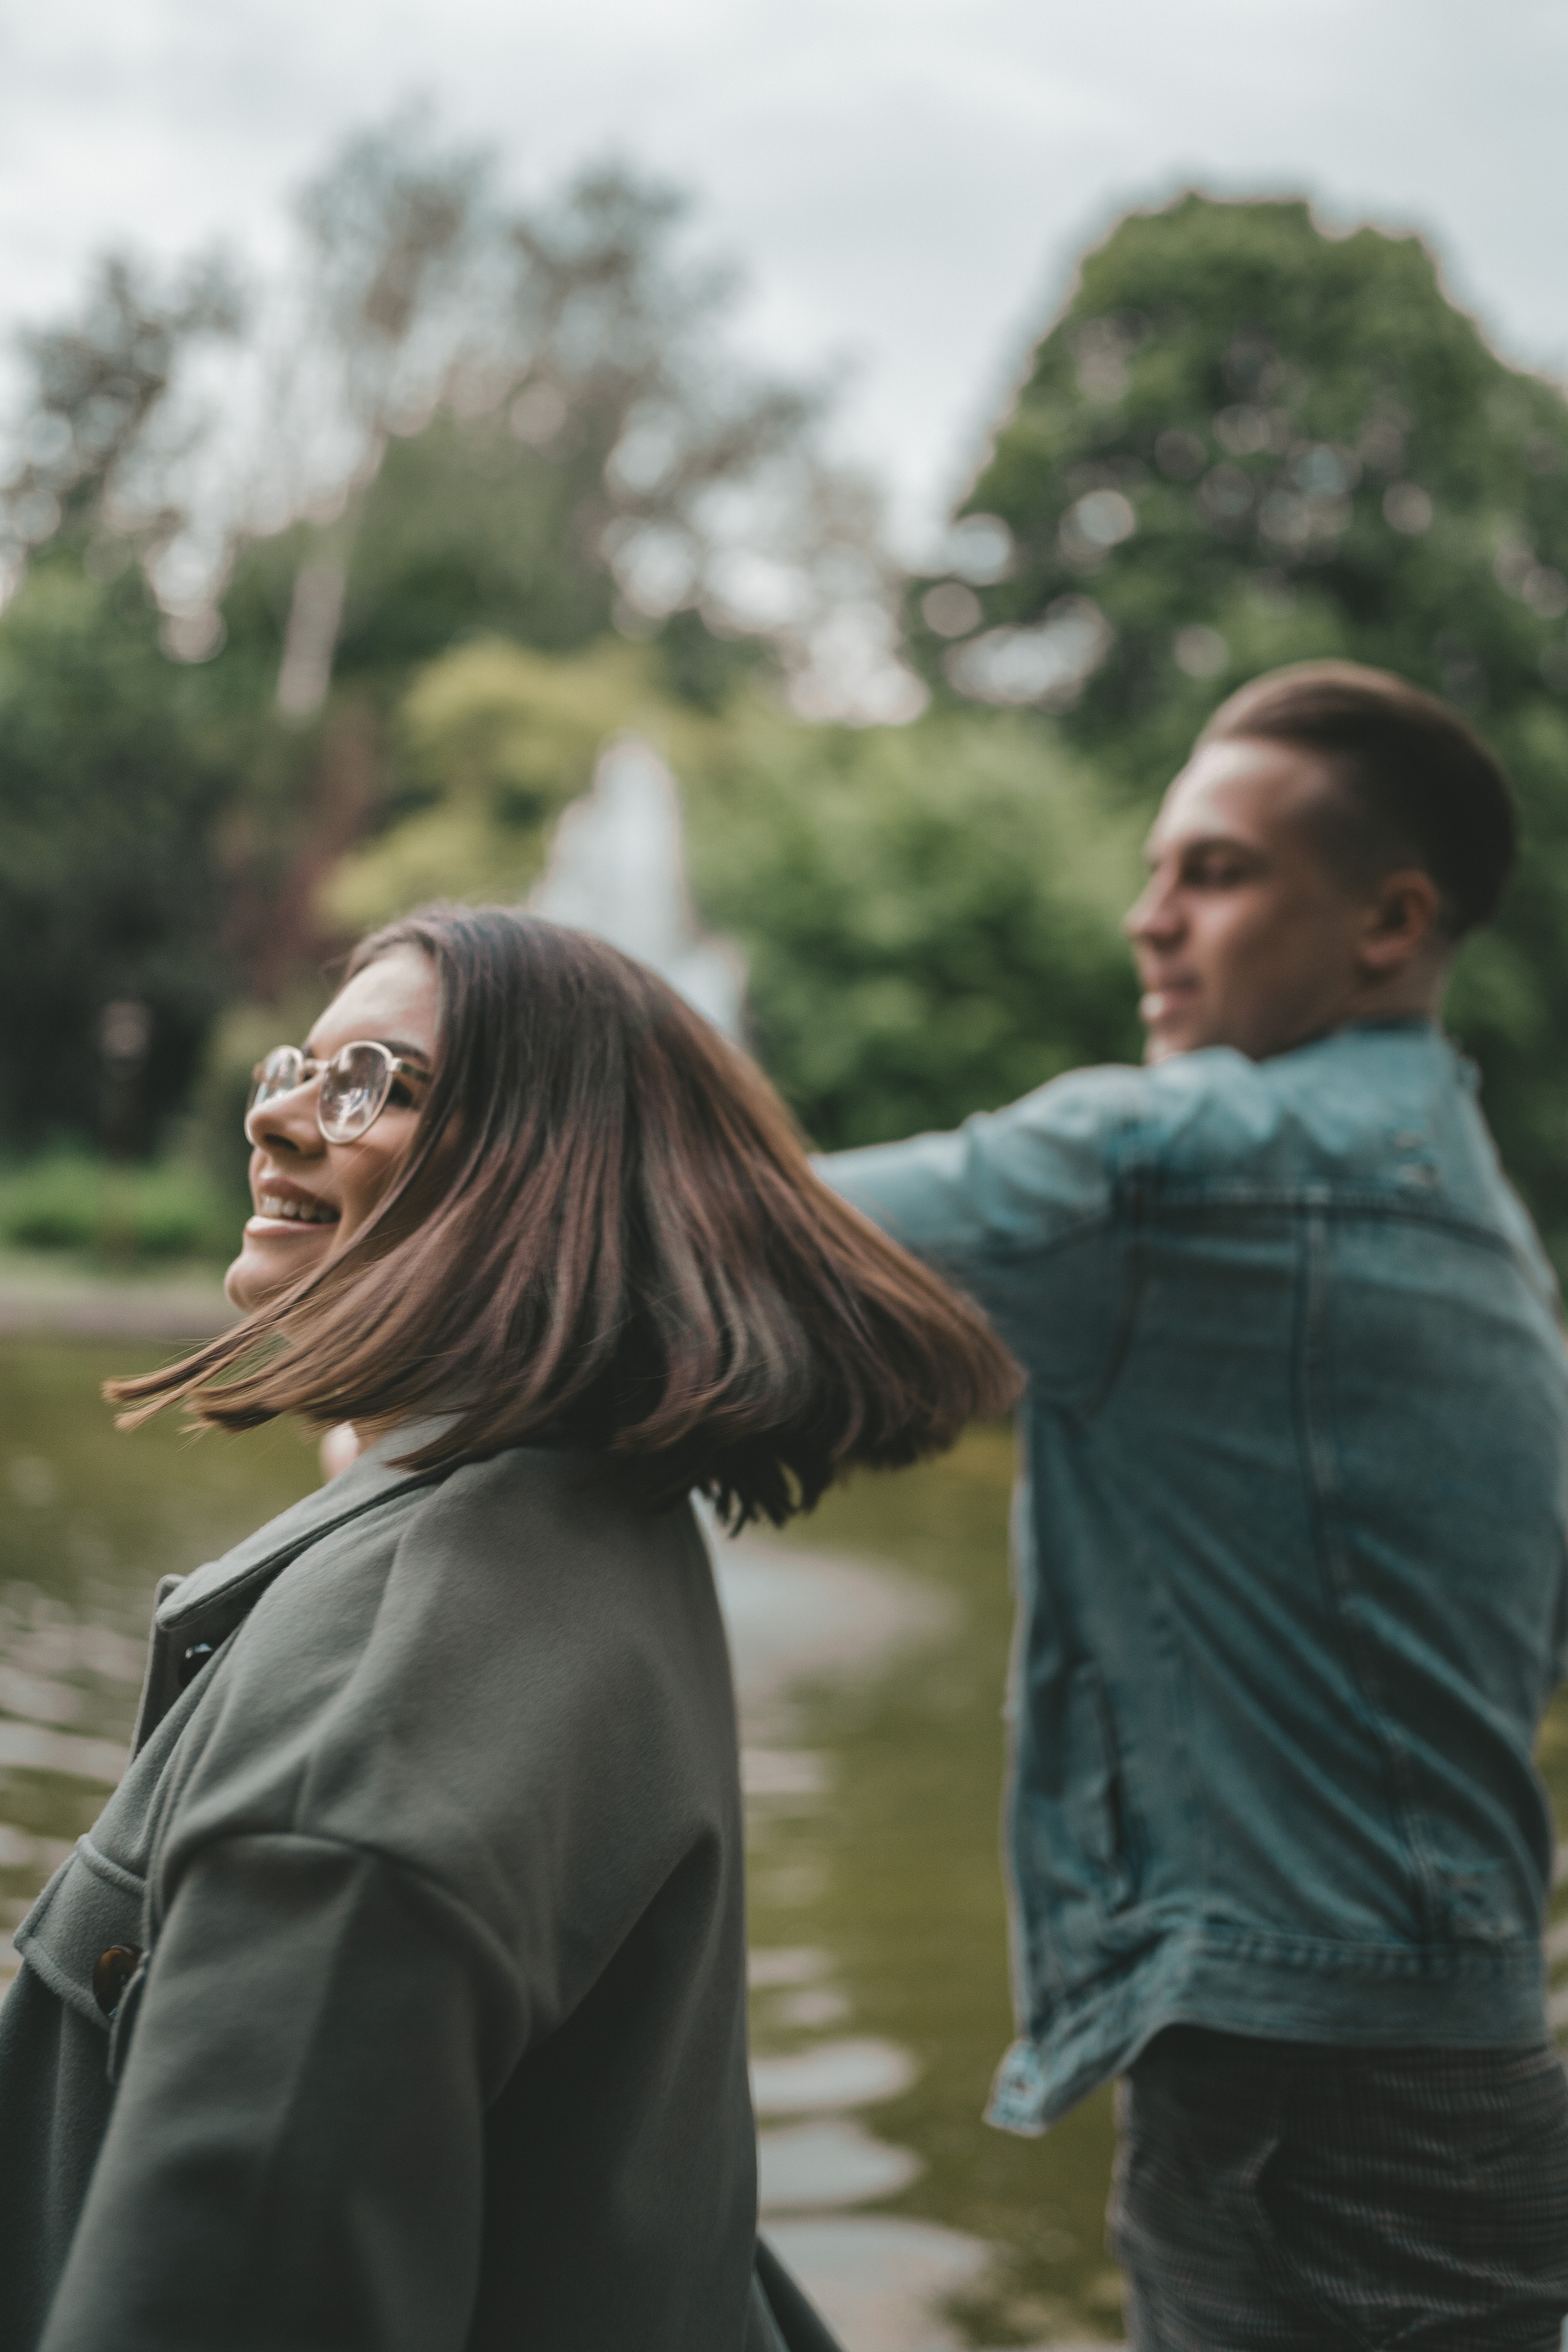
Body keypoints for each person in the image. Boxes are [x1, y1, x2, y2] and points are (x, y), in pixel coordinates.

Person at [0, 905, 1018, 2352]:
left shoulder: (359, 1751)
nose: (279, 1116)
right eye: (300, 1068)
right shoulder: (592, 1506)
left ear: (551, 1179)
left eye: (379, 1084)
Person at [821, 661, 1568, 2348]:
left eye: (1215, 874)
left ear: (1388, 922)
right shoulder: (1475, 1219)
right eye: (1155, 869)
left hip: (1312, 2111)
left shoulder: (1181, 1165)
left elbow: (719, 1235)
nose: (1145, 919)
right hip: (1451, 2067)